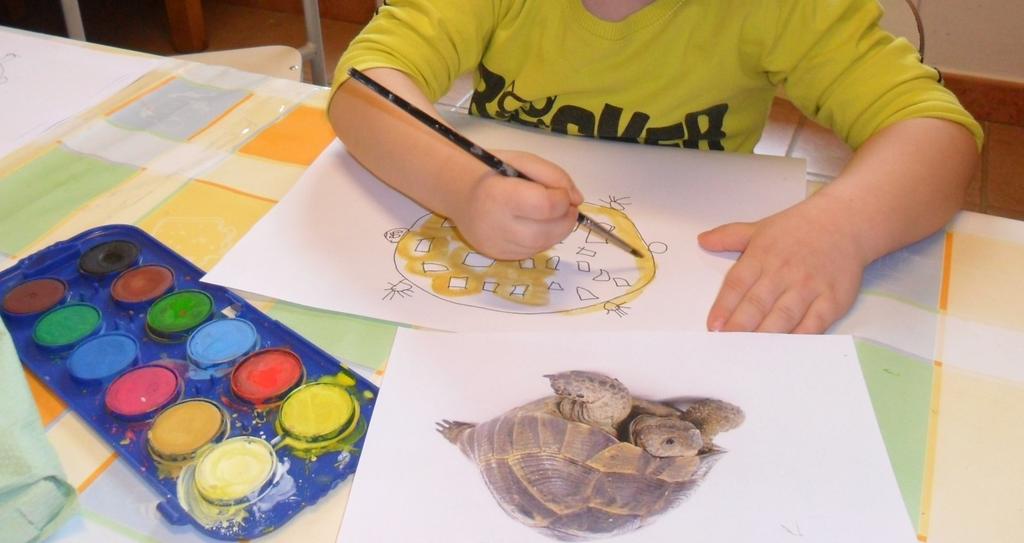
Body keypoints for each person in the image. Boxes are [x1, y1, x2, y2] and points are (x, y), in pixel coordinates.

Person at [328, 0, 982, 333]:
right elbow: (365, 86)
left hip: (678, 305)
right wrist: (461, 181)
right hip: (490, 301)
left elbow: (937, 133)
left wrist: (843, 225)